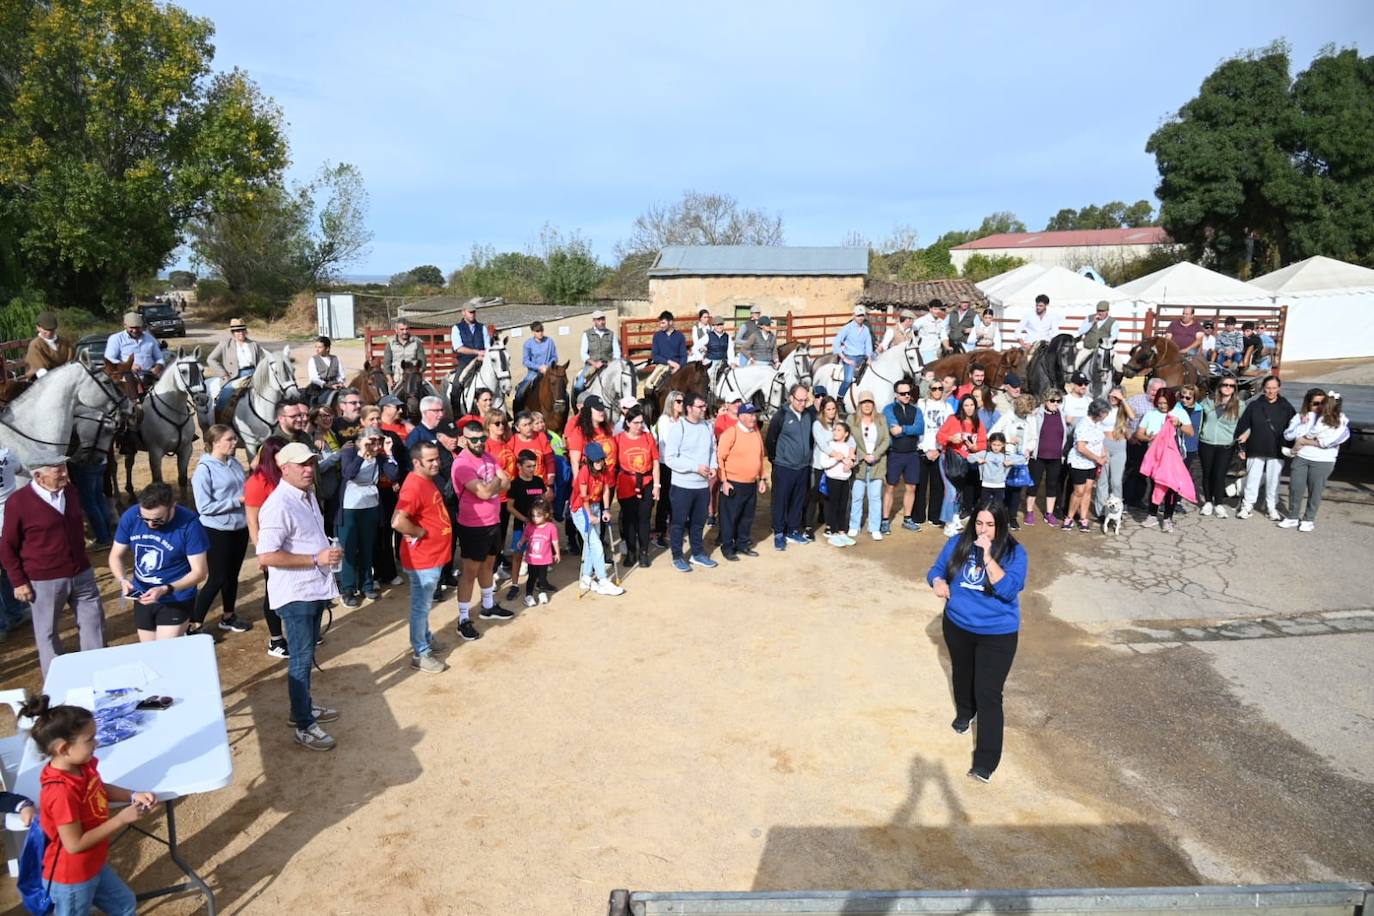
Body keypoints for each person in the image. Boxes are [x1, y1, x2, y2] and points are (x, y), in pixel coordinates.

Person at [22, 694, 156, 916]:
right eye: (90, 739)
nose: (97, 742)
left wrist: (132, 795)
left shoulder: (80, 766)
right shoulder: (61, 792)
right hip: (72, 878)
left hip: (92, 864)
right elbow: (74, 844)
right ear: (64, 748)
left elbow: (98, 787)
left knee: (124, 904)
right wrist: (121, 819)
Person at [927, 499, 1027, 783]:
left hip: (997, 633)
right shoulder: (959, 542)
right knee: (962, 672)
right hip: (958, 625)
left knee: (989, 693)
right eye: (979, 523)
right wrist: (937, 582)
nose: (983, 531)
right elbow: (935, 570)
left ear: (1001, 525)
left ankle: (986, 760)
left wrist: (986, 557)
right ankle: (965, 712)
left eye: (990, 525)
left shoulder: (1015, 553)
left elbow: (1008, 590)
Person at [256, 442, 343, 751]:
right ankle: (304, 725)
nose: (309, 469)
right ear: (284, 469)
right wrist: (316, 559)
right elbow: (265, 556)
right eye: (301, 464)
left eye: (311, 463)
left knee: (305, 658)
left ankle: (301, 709)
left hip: (313, 588)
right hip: (296, 595)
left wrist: (325, 554)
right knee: (301, 659)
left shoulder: (306, 496)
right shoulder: (278, 505)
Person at [0, 454, 104, 675]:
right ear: (39, 476)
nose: (66, 474)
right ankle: (57, 682)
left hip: (82, 573)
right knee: (47, 633)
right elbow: (7, 546)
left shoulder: (71, 491)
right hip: (44, 581)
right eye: (59, 471)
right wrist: (18, 582)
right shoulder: (18, 503)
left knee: (94, 625)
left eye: (65, 467)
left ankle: (98, 672)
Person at [109, 482, 209, 641]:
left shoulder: (190, 524)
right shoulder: (131, 516)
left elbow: (199, 572)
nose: (150, 524)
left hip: (176, 597)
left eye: (157, 520)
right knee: (150, 652)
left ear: (172, 507)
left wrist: (166, 589)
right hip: (143, 595)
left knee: (165, 651)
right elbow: (116, 555)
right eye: (145, 519)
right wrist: (122, 580)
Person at [391, 441, 452, 673]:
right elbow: (398, 521)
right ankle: (421, 652)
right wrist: (421, 532)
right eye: (431, 460)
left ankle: (425, 638)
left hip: (430, 556)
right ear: (417, 462)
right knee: (421, 607)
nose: (437, 463)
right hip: (422, 559)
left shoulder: (424, 480)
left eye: (437, 458)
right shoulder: (414, 486)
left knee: (424, 605)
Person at [451, 419, 515, 638]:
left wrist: (495, 482)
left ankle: (488, 606)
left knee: (489, 565)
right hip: (473, 525)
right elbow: (485, 493)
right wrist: (497, 481)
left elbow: (506, 481)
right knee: (469, 573)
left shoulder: (489, 456)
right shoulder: (462, 464)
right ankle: (463, 619)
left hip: (493, 521)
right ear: (464, 439)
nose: (479, 443)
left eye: (482, 438)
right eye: (474, 439)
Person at [190, 425, 252, 634]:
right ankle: (194, 624)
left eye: (235, 439)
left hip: (239, 527)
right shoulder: (203, 470)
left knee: (232, 575)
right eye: (230, 439)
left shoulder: (234, 463)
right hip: (216, 531)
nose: (235, 443)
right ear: (215, 442)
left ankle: (228, 615)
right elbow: (204, 507)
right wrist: (237, 501)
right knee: (216, 578)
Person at [337, 428, 398, 608]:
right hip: (350, 506)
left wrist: (388, 453)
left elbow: (394, 474)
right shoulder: (350, 452)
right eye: (372, 441)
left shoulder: (379, 456)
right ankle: (347, 588)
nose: (376, 445)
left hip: (371, 505)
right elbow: (348, 473)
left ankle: (367, 584)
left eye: (378, 441)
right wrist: (362, 453)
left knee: (367, 546)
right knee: (348, 547)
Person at [245, 436, 289, 658]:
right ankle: (276, 639)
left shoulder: (288, 476)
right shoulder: (257, 482)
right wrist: (260, 551)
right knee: (273, 591)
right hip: (272, 546)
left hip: (292, 543)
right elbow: (252, 520)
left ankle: (296, 631)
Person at [663, 393, 718, 570]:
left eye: (704, 406)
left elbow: (713, 450)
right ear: (689, 408)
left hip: (702, 486)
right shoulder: (679, 428)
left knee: (698, 522)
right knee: (678, 523)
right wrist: (695, 467)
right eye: (700, 407)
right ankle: (677, 556)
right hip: (682, 486)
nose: (704, 409)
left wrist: (714, 466)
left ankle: (697, 553)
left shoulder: (708, 427)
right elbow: (670, 459)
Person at [1281, 391, 1348, 532]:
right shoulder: (1303, 417)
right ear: (1308, 404)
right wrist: (1300, 425)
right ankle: (1293, 516)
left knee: (1315, 491)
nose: (1319, 407)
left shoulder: (1340, 419)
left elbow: (1333, 440)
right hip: (1302, 457)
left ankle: (1308, 519)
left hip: (1323, 460)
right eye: (1315, 403)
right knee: (1295, 488)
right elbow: (1288, 435)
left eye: (1322, 403)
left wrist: (1307, 440)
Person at [1234, 375, 1296, 521]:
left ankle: (1271, 507)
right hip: (1255, 447)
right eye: (1268, 388)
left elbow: (1294, 428)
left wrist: (1290, 448)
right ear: (1263, 388)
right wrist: (1241, 448)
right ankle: (1247, 506)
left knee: (1273, 480)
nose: (1271, 391)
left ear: (1279, 388)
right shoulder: (1254, 405)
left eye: (1274, 388)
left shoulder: (1286, 407)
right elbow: (1243, 426)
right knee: (1252, 479)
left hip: (1276, 449)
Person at [569, 441, 625, 595]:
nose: (599, 462)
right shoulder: (584, 472)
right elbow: (583, 496)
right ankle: (603, 580)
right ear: (588, 460)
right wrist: (590, 515)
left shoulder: (605, 470)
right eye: (596, 459)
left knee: (589, 545)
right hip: (581, 509)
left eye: (601, 458)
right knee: (596, 545)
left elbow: (606, 490)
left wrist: (606, 509)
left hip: (595, 507)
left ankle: (586, 578)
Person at [1136, 386, 1195, 532]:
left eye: (1165, 403)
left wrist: (1179, 424)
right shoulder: (1151, 414)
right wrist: (1150, 437)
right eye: (1160, 403)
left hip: (1174, 456)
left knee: (1172, 488)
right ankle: (1152, 515)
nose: (1162, 406)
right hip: (1155, 456)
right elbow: (1139, 434)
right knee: (1156, 485)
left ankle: (1168, 518)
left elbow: (1191, 432)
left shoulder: (1179, 413)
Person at [716, 403, 766, 560]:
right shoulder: (731, 433)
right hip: (733, 482)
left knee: (747, 516)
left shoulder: (756, 432)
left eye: (755, 414)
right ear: (741, 416)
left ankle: (742, 544)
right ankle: (727, 546)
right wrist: (723, 480)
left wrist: (762, 478)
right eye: (750, 415)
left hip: (750, 483)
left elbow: (760, 456)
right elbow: (720, 458)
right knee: (730, 517)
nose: (754, 418)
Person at [613, 406, 659, 568]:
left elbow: (655, 461)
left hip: (646, 482)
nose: (639, 426)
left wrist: (657, 485)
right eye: (636, 423)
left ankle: (644, 552)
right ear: (627, 422)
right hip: (627, 483)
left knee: (644, 519)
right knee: (629, 520)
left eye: (641, 422)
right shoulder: (618, 439)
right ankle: (631, 552)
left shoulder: (648, 437)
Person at [937, 394, 988, 535]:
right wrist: (950, 438)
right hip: (949, 460)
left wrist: (975, 447)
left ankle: (954, 517)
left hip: (965, 462)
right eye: (966, 405)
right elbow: (940, 436)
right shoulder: (953, 420)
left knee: (959, 492)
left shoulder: (978, 423)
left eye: (972, 405)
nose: (969, 408)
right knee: (951, 491)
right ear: (961, 406)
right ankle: (947, 523)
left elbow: (983, 443)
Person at [505, 449, 550, 599]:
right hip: (521, 526)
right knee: (518, 555)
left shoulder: (538, 481)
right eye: (528, 466)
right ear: (519, 466)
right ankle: (515, 584)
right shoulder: (515, 484)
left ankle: (539, 581)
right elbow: (509, 506)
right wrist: (524, 519)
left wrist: (545, 516)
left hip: (539, 526)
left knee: (539, 555)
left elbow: (543, 500)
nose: (532, 469)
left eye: (534, 466)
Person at [0, 448, 34, 642]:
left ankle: (4, 623)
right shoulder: (7, 456)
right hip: (9, 525)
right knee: (9, 569)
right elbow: (27, 472)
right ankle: (14, 612)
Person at [881, 380, 923, 534]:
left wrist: (904, 428)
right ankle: (885, 520)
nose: (906, 396)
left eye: (908, 393)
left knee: (911, 487)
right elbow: (893, 430)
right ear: (896, 394)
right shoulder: (888, 409)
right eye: (902, 393)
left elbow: (920, 428)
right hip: (895, 453)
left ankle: (907, 518)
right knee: (890, 487)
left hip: (912, 453)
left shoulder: (916, 410)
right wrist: (909, 429)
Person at [1023, 389, 1069, 527]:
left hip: (1055, 456)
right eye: (1052, 401)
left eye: (1058, 401)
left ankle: (1049, 513)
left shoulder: (1062, 414)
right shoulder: (1036, 414)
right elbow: (1028, 430)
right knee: (1033, 484)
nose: (1056, 403)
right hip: (1038, 456)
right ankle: (1029, 512)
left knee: (1052, 485)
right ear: (1045, 401)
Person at [1063, 398, 1110, 531]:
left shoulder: (1097, 424)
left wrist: (1103, 453)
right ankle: (1069, 518)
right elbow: (1081, 447)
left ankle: (1083, 518)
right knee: (1079, 491)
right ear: (1098, 412)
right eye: (1105, 412)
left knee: (1088, 490)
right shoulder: (1084, 424)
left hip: (1092, 463)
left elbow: (1100, 441)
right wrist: (1097, 458)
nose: (1106, 415)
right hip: (1079, 462)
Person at [1197, 378, 1241, 518]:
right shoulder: (1207, 402)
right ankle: (1208, 502)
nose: (1228, 387)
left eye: (1231, 386)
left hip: (1226, 444)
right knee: (1207, 473)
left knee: (1219, 474)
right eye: (1225, 385)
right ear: (1219, 387)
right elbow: (1194, 411)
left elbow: (1246, 424)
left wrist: (1244, 437)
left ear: (1234, 389)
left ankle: (1219, 503)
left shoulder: (1240, 405)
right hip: (1206, 443)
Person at [848, 391, 889, 541]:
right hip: (859, 464)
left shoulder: (881, 419)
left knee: (875, 497)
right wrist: (862, 455)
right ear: (859, 404)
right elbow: (849, 440)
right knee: (857, 496)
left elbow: (886, 439)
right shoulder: (851, 419)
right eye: (864, 402)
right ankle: (854, 526)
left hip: (877, 463)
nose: (867, 405)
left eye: (869, 402)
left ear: (873, 404)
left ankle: (874, 527)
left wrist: (875, 455)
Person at [206, 317, 267, 415]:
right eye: (238, 331)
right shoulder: (225, 344)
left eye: (243, 330)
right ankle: (219, 422)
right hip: (235, 376)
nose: (241, 333)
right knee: (224, 397)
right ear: (233, 332)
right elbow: (211, 359)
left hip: (254, 374)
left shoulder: (253, 344)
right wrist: (224, 374)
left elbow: (263, 361)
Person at [913, 378, 952, 529]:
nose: (937, 391)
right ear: (929, 389)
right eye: (934, 388)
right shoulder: (922, 404)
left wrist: (939, 449)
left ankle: (935, 516)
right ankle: (918, 515)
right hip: (923, 450)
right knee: (920, 485)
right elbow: (917, 426)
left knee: (938, 486)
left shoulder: (947, 407)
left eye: (940, 388)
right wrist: (924, 448)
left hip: (939, 451)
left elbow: (949, 430)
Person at [1123, 378, 1167, 509]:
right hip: (1135, 442)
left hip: (1155, 446)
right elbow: (1121, 419)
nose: (1155, 392)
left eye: (1158, 390)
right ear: (1147, 389)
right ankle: (1126, 499)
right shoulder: (1135, 400)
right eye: (1153, 389)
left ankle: (1138, 499)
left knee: (1145, 473)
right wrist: (1129, 435)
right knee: (1132, 472)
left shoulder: (1164, 405)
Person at [968, 431, 1030, 525]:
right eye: (994, 444)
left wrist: (1011, 462)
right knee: (984, 505)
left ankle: (998, 523)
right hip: (986, 484)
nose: (996, 447)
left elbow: (1022, 459)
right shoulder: (985, 454)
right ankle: (983, 521)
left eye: (999, 445)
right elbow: (969, 457)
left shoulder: (1006, 456)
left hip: (999, 485)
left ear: (1003, 445)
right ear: (989, 444)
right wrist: (978, 459)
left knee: (998, 506)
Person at [1091, 387, 1135, 521]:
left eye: (1116, 396)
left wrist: (1122, 400)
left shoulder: (1123, 410)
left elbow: (1132, 417)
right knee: (1103, 480)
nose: (1112, 398)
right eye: (1111, 395)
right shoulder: (1103, 408)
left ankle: (1117, 510)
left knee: (1116, 481)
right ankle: (1101, 512)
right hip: (1104, 445)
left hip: (1119, 446)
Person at [652, 390, 685, 547]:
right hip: (666, 463)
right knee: (665, 499)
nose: (681, 404)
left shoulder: (683, 420)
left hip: (679, 464)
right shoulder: (664, 420)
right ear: (671, 403)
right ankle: (660, 531)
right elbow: (667, 441)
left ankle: (672, 529)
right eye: (678, 401)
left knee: (677, 499)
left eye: (682, 401)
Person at [101, 310, 164, 386]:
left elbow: (159, 358)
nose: (135, 330)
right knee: (132, 395)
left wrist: (157, 368)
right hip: (126, 379)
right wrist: (128, 366)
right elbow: (110, 359)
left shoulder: (150, 339)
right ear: (125, 325)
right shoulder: (116, 339)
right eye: (132, 328)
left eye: (137, 328)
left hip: (149, 377)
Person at [819, 422, 857, 546]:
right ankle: (833, 532)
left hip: (845, 480)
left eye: (839, 430)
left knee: (843, 506)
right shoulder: (829, 446)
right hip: (832, 479)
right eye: (835, 430)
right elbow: (824, 463)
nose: (836, 432)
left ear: (846, 434)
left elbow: (853, 461)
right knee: (833, 505)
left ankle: (842, 532)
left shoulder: (848, 447)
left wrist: (850, 464)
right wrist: (836, 458)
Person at [808, 396, 840, 537]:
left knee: (829, 497)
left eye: (833, 409)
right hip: (819, 466)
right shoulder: (817, 425)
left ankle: (829, 525)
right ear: (823, 410)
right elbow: (822, 444)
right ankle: (809, 527)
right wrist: (836, 454)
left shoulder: (839, 424)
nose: (831, 412)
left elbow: (847, 438)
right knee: (814, 496)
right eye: (828, 409)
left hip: (833, 467)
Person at [310, 404, 343, 538]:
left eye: (330, 415)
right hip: (325, 492)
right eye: (323, 416)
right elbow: (319, 468)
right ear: (315, 419)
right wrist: (340, 454)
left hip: (336, 488)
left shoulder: (332, 433)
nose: (328, 419)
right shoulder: (314, 439)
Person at [520, 499, 559, 605]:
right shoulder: (529, 526)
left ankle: (542, 592)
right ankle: (528, 595)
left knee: (542, 578)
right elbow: (525, 536)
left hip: (544, 559)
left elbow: (554, 541)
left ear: (546, 515)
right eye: (533, 516)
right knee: (531, 577)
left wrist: (557, 553)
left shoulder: (551, 527)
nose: (535, 518)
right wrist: (521, 542)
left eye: (538, 516)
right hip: (532, 558)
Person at [831, 305, 873, 401]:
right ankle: (839, 399)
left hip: (863, 356)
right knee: (848, 379)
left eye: (862, 315)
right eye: (858, 315)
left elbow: (868, 345)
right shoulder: (847, 328)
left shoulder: (866, 329)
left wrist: (869, 357)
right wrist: (845, 358)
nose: (861, 318)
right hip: (850, 356)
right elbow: (836, 343)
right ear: (854, 316)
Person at [575, 309, 621, 395]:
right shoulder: (587, 334)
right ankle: (579, 405)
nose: (602, 322)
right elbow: (583, 353)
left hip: (608, 365)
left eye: (603, 319)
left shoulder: (611, 334)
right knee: (578, 386)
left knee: (623, 382)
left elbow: (617, 353)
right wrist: (594, 363)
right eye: (599, 320)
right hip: (591, 365)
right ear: (594, 321)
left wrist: (611, 363)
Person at [516, 320, 559, 402]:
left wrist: (548, 366)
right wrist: (539, 367)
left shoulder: (550, 341)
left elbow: (554, 357)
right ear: (533, 332)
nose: (540, 333)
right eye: (537, 331)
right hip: (533, 372)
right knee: (521, 391)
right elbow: (525, 361)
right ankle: (518, 410)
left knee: (561, 389)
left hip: (549, 371)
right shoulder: (527, 344)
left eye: (541, 330)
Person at [24, 311, 76, 379]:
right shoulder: (35, 345)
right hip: (44, 381)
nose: (49, 333)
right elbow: (40, 371)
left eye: (52, 330)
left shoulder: (65, 343)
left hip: (66, 377)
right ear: (38, 328)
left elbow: (72, 362)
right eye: (46, 330)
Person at [381, 318, 426, 390]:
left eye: (407, 329)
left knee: (430, 393)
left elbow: (422, 363)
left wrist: (417, 375)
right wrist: (390, 380)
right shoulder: (390, 343)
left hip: (414, 379)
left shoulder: (417, 342)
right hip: (396, 379)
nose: (405, 332)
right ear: (396, 330)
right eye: (402, 329)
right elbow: (386, 364)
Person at [1074, 300, 1116, 370]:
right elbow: (1081, 331)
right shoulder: (1089, 318)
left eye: (1102, 311)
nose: (1100, 313)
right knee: (1076, 362)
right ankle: (1073, 379)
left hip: (1104, 351)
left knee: (1119, 365)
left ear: (1107, 311)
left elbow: (1114, 337)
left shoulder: (1113, 322)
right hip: (1088, 349)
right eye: (1098, 311)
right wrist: (1092, 322)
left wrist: (1105, 344)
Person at [450, 303, 489, 375]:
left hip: (482, 361)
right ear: (463, 313)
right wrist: (477, 352)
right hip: (465, 362)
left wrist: (484, 355)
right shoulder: (456, 328)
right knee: (456, 384)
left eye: (474, 312)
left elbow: (488, 346)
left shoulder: (482, 327)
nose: (472, 314)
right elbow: (459, 348)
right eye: (470, 312)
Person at [649, 311, 688, 381]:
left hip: (678, 366)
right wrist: (669, 362)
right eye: (660, 323)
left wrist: (679, 366)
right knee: (648, 385)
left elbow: (684, 356)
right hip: (662, 366)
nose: (661, 325)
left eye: (663, 323)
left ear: (670, 322)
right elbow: (654, 355)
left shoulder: (680, 336)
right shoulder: (657, 336)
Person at [306, 336, 345, 401]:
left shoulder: (335, 358)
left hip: (336, 385)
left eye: (320, 347)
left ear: (327, 348)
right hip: (319, 388)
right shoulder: (313, 360)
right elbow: (314, 378)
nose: (317, 349)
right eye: (316, 347)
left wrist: (340, 383)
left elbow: (341, 375)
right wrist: (329, 386)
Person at [913, 300, 949, 364]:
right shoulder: (922, 320)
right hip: (925, 351)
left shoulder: (941, 322)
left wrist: (947, 347)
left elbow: (944, 336)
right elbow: (911, 329)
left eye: (939, 309)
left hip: (937, 352)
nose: (937, 311)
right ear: (930, 309)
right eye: (935, 309)